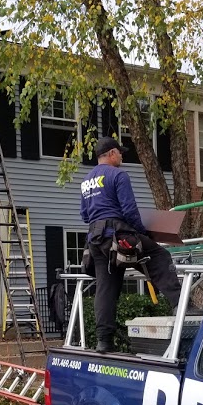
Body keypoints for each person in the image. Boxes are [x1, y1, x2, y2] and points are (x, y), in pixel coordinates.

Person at [80, 136, 182, 353]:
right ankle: (182, 307)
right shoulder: (118, 175)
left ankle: (103, 341)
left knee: (105, 289)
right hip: (117, 235)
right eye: (120, 152)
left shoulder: (86, 180)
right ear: (110, 154)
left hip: (95, 241)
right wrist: (143, 233)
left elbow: (84, 215)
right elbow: (129, 210)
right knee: (160, 257)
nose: (122, 156)